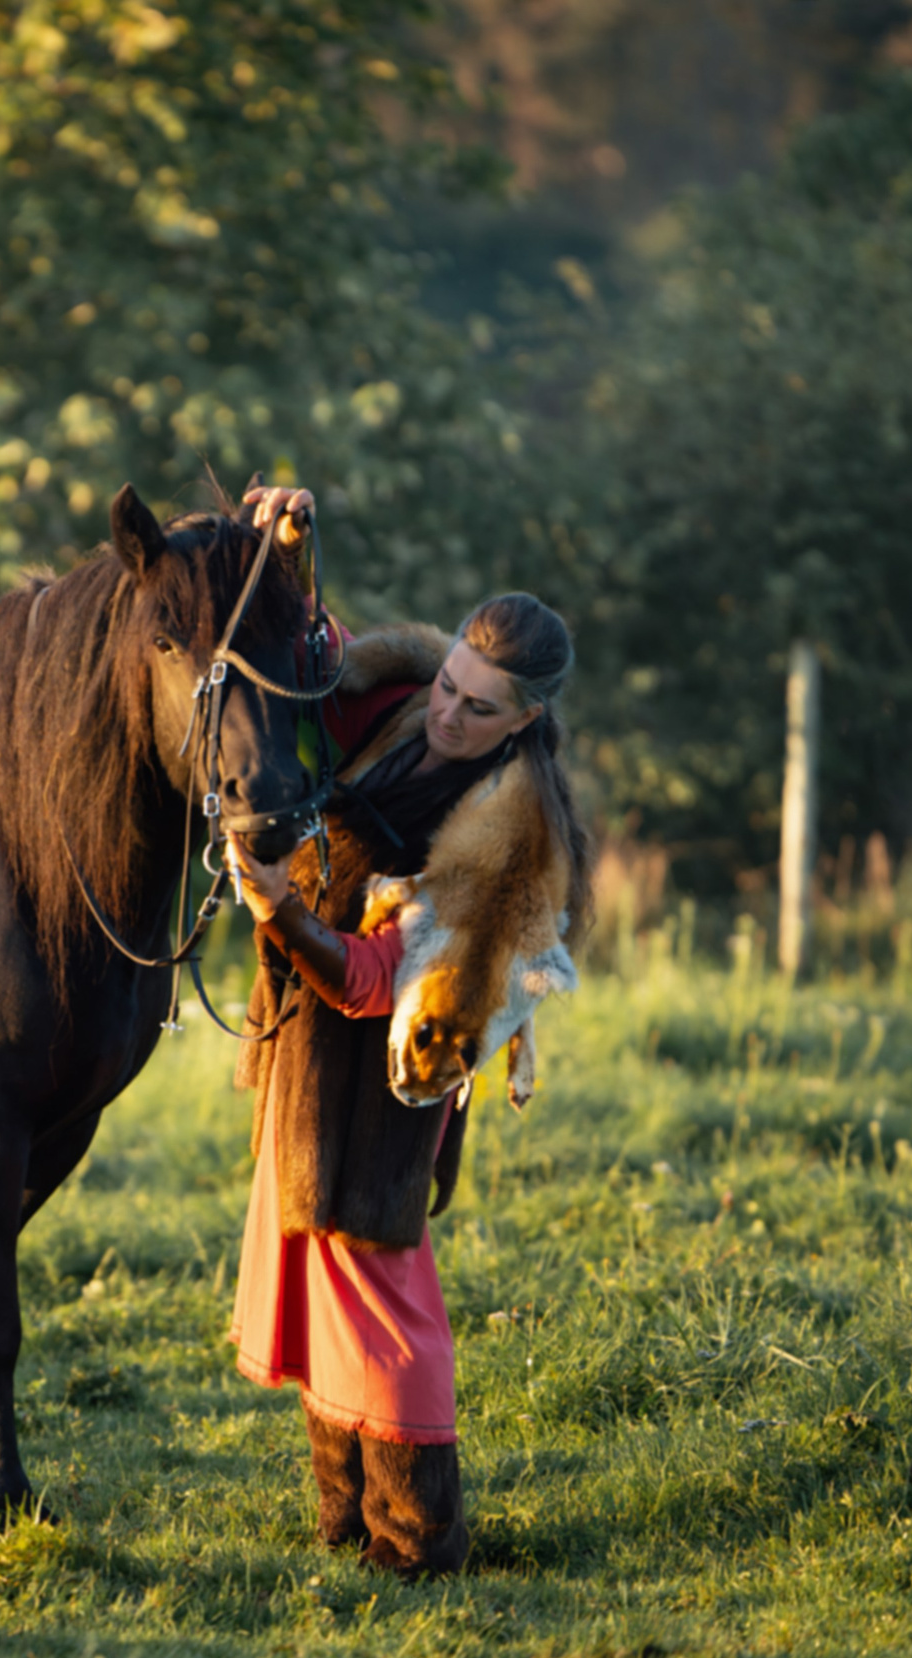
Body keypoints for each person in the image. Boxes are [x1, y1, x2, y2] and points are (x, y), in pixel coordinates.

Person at [223, 492, 592, 1577]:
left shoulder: (514, 842)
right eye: (447, 687)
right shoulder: (395, 699)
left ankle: (420, 1539)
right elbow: (301, 687)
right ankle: (344, 1522)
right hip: (301, 1032)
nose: (446, 716)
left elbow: (387, 983)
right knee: (307, 1261)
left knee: (380, 1288)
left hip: (390, 1065)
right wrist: (284, 553)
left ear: (523, 720)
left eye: (479, 710)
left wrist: (280, 912)